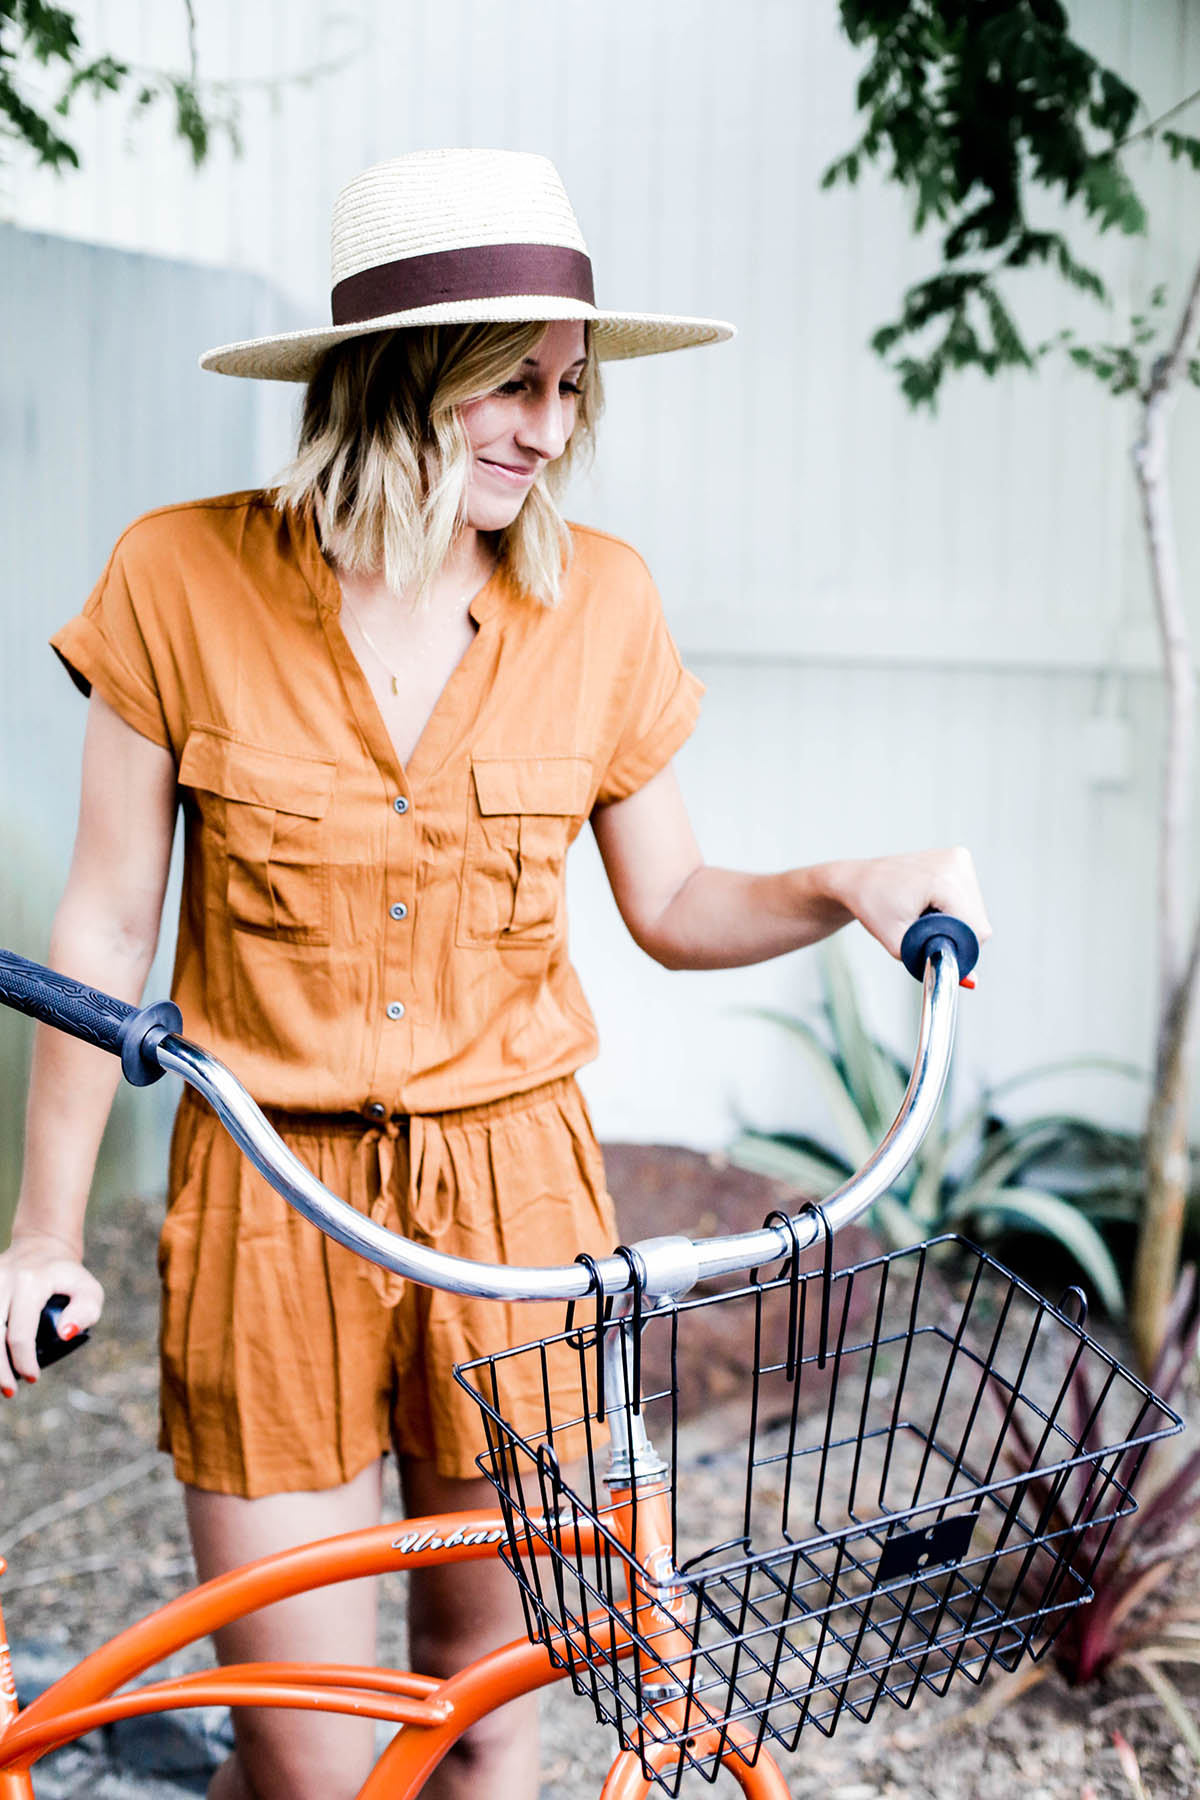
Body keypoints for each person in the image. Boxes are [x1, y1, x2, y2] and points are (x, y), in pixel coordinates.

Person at [0, 149, 990, 1800]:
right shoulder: (178, 577)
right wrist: (42, 1229)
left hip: (520, 1214)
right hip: (272, 1198)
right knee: (310, 1759)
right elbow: (102, 934)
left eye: (569, 389)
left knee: (489, 1712)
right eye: (509, 385)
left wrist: (847, 883)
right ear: (400, 377)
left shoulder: (599, 602)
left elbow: (671, 900)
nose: (548, 425)